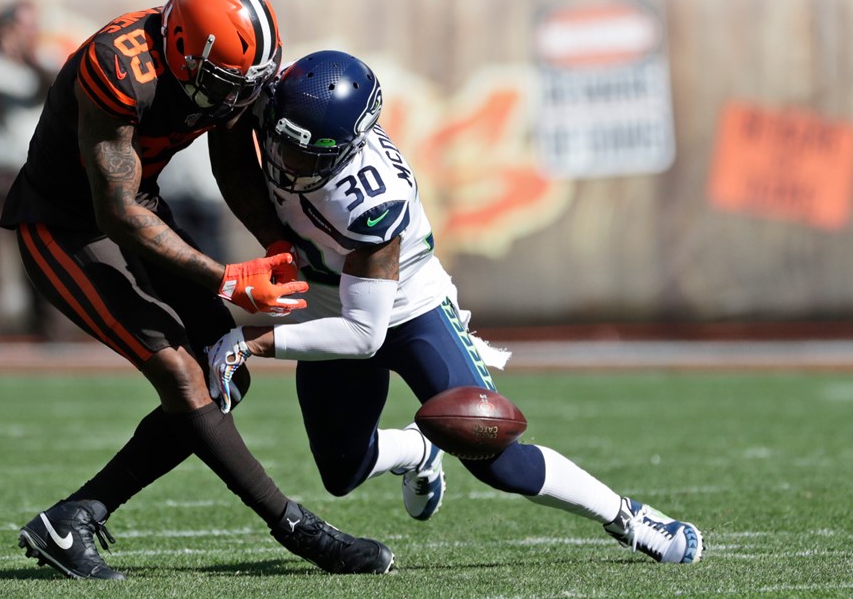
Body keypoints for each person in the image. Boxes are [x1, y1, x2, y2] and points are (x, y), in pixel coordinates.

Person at [207, 50, 704, 565]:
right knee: (341, 471)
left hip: (406, 305)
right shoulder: (278, 107)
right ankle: (420, 450)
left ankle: (630, 518)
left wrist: (255, 340)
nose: (288, 163)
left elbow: (363, 334)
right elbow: (231, 155)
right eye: (284, 145)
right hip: (328, 292)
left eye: (308, 156)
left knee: (497, 461)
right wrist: (272, 243)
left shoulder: (373, 199)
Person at [0, 0, 394, 580]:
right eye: (227, 86)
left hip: (140, 213)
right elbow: (117, 210)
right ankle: (299, 529)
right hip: (65, 227)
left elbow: (233, 165)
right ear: (185, 50)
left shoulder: (217, 69)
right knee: (183, 376)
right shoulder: (118, 68)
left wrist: (278, 241)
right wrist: (228, 281)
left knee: (222, 369)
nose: (237, 100)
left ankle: (73, 517)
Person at [0, 0, 67, 342]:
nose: (24, 32)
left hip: (32, 174)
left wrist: (27, 54)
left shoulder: (43, 59)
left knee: (42, 259)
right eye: (18, 25)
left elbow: (52, 87)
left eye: (29, 26)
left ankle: (51, 335)